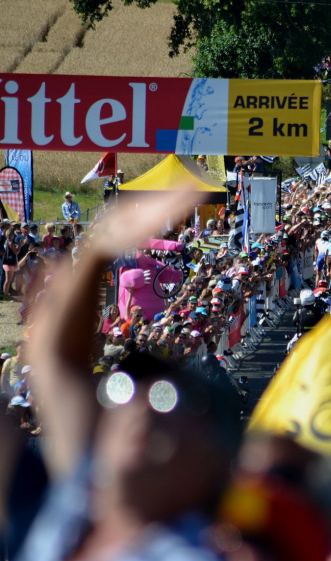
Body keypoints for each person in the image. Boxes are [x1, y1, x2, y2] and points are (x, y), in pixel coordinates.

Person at [20, 187, 242, 561]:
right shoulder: (83, 498)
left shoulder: (193, 553)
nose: (144, 409)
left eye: (170, 402)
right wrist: (98, 251)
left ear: (212, 465)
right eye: (127, 393)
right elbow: (57, 363)